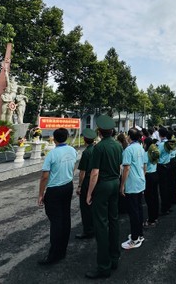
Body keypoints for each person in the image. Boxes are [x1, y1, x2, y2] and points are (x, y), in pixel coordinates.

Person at [86, 115, 123, 279]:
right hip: (115, 182)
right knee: (113, 220)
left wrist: (89, 193)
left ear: (100, 132)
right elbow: (120, 166)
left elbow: (94, 173)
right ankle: (114, 258)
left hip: (103, 185)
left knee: (101, 225)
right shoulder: (118, 145)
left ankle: (104, 266)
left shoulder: (99, 148)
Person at [36, 128, 78, 265]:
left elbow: (45, 176)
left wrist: (41, 194)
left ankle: (54, 255)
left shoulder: (52, 154)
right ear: (66, 137)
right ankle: (62, 250)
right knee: (65, 218)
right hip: (68, 185)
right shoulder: (72, 150)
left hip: (54, 189)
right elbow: (73, 167)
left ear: (54, 139)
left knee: (56, 221)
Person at [120, 128, 146, 250]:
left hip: (132, 183)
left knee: (134, 212)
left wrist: (122, 185)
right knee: (139, 210)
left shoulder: (128, 150)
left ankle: (135, 238)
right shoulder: (140, 147)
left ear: (130, 136)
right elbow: (144, 165)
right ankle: (139, 234)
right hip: (140, 181)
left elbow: (126, 168)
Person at [76, 128, 97, 239]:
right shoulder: (96, 149)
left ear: (84, 140)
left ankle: (88, 230)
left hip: (87, 181)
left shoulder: (86, 152)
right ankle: (94, 227)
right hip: (96, 181)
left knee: (85, 207)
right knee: (93, 205)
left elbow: (82, 172)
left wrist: (79, 186)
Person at [143, 137, 160, 227]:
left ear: (146, 144)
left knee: (149, 199)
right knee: (155, 197)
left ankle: (151, 220)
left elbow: (144, 169)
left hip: (148, 176)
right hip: (155, 174)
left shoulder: (146, 154)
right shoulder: (153, 153)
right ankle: (155, 216)